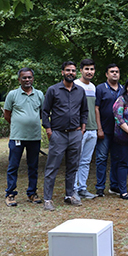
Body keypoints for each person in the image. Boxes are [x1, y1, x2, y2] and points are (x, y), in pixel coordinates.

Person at [41, 61, 88, 211]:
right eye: (68, 70)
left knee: (73, 166)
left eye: (73, 71)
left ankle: (69, 195)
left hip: (75, 134)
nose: (71, 73)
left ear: (76, 73)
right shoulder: (53, 90)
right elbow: (44, 111)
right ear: (62, 72)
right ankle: (47, 199)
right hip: (58, 134)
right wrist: (49, 130)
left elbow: (84, 111)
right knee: (52, 167)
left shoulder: (80, 91)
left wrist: (82, 129)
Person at [3, 68, 43, 207]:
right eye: (24, 78)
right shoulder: (13, 94)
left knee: (33, 166)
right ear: (19, 79)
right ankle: (10, 194)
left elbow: (42, 113)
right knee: (13, 166)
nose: (27, 80)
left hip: (34, 137)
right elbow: (7, 114)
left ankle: (32, 193)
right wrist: (18, 125)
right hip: (17, 137)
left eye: (29, 77)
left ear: (33, 78)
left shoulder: (39, 94)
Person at [95, 63, 124, 196]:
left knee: (117, 159)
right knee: (101, 158)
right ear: (107, 74)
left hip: (119, 131)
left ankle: (115, 186)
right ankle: (100, 187)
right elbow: (96, 109)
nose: (114, 74)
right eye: (112, 71)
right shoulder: (100, 88)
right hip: (104, 130)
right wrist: (99, 128)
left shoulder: (123, 89)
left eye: (117, 72)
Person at [71, 58, 98, 200]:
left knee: (86, 161)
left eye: (92, 69)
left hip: (92, 128)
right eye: (86, 69)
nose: (89, 72)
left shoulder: (94, 87)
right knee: (75, 160)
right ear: (80, 70)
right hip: (79, 129)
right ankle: (73, 189)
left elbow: (94, 109)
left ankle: (82, 188)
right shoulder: (75, 85)